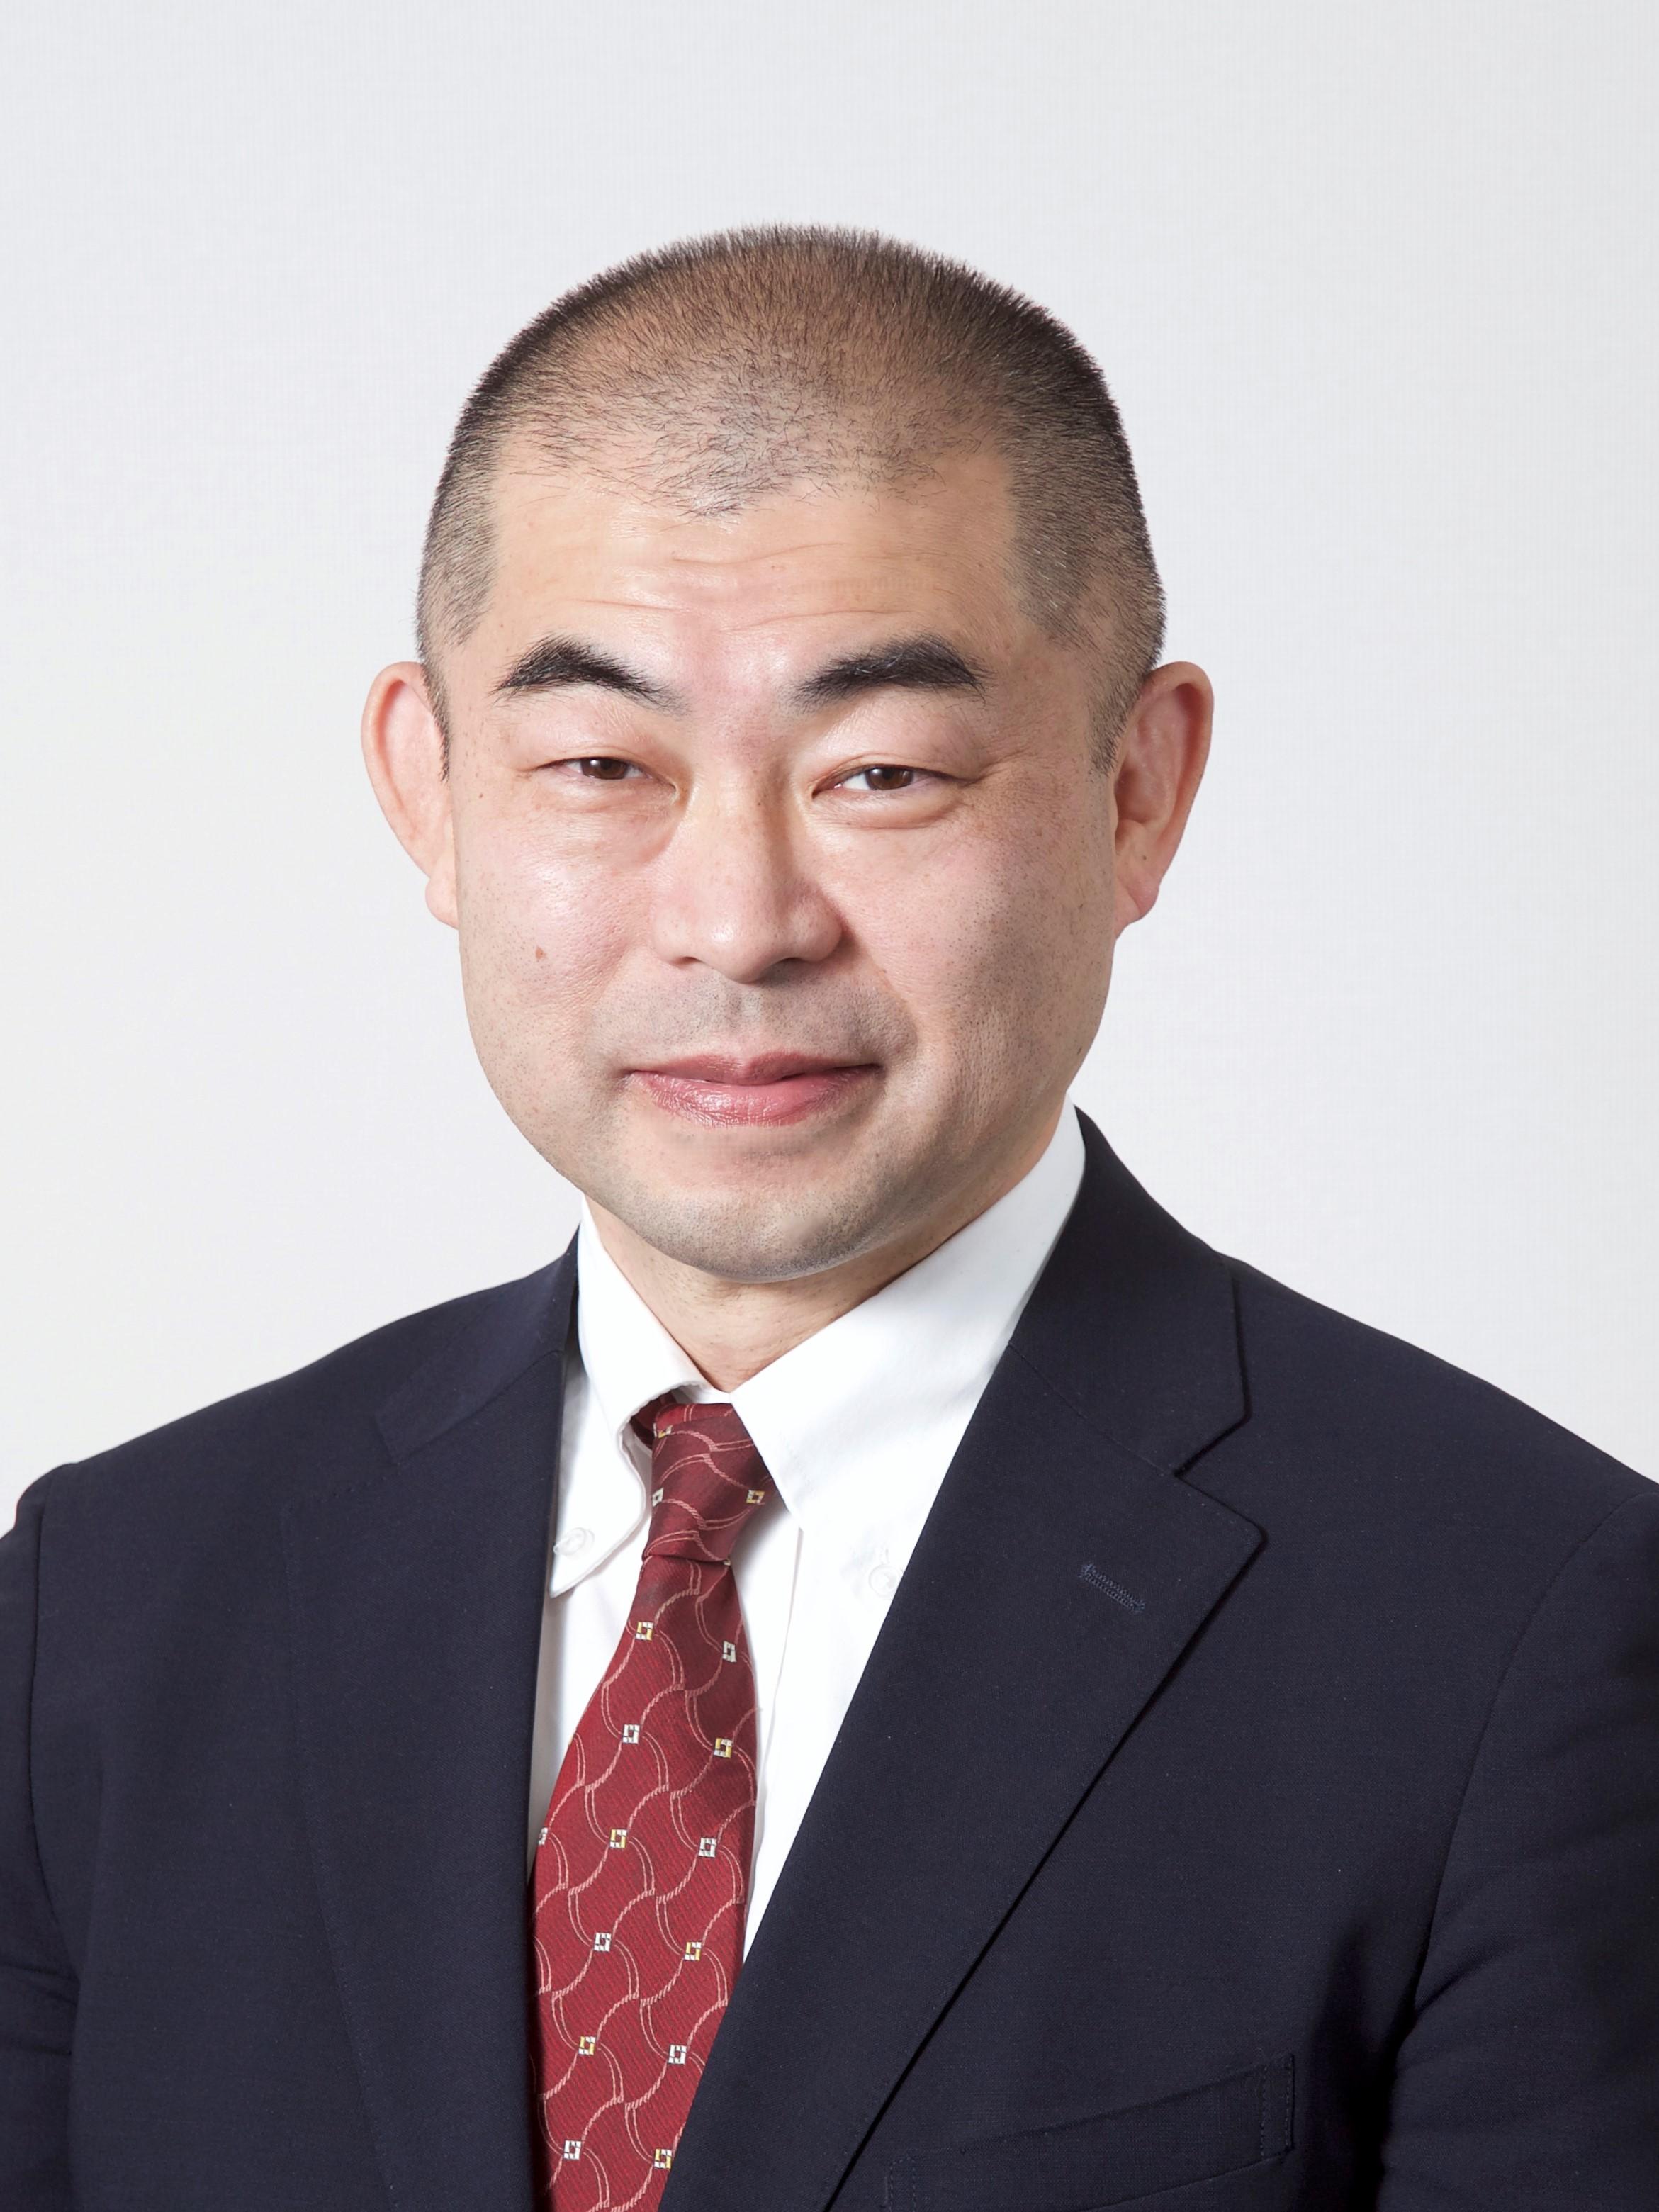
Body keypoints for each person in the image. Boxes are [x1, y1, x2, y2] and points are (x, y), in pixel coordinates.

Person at [2, 225, 1654, 2212]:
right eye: (599, 762)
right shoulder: (112, 1603)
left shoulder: (1524, 1635)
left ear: (1139, 789)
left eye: (882, 772)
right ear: (428, 789)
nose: (739, 920)